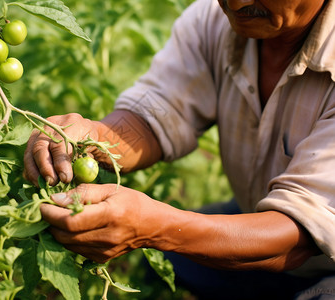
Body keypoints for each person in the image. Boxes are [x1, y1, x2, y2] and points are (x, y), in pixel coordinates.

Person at [24, 0, 335, 298]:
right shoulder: (214, 21)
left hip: (324, 263)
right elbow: (156, 115)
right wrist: (92, 136)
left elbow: (296, 237)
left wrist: (158, 229)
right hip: (258, 221)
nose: (237, 3)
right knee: (164, 261)